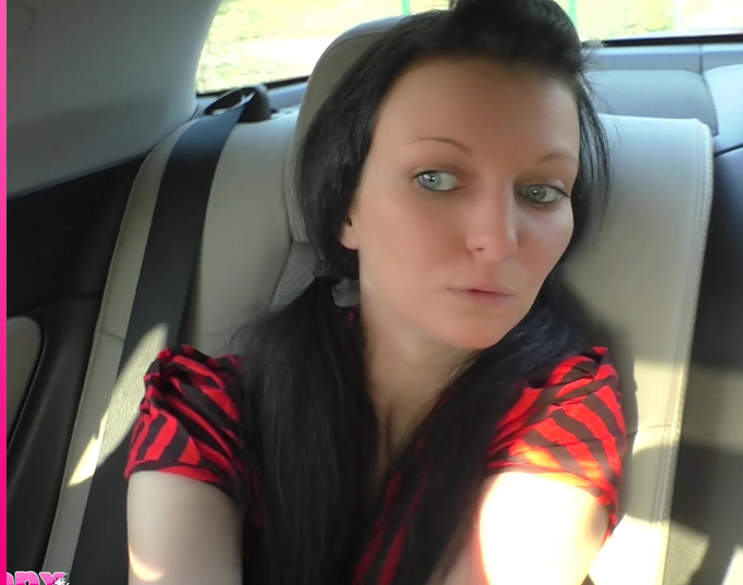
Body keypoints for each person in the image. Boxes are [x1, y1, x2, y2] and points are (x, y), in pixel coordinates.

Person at [125, 0, 627, 584]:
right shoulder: (209, 411)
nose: (497, 240)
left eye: (541, 192)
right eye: (435, 179)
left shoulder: (560, 414)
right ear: (346, 209)